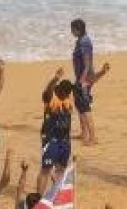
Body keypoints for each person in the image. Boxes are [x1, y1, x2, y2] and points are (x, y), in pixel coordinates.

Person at [71, 19, 112, 147]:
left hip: (84, 79)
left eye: (72, 29)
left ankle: (93, 137)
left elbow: (87, 63)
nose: (71, 31)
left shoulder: (84, 42)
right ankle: (84, 133)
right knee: (79, 104)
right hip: (82, 77)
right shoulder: (81, 40)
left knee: (84, 107)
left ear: (77, 29)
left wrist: (83, 80)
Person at [38, 71, 75, 195]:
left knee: (61, 169)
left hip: (65, 141)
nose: (68, 94)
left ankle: (56, 195)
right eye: (66, 92)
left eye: (69, 92)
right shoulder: (51, 98)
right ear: (59, 90)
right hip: (50, 139)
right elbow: (48, 90)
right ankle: (39, 197)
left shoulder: (68, 99)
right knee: (46, 169)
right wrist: (55, 78)